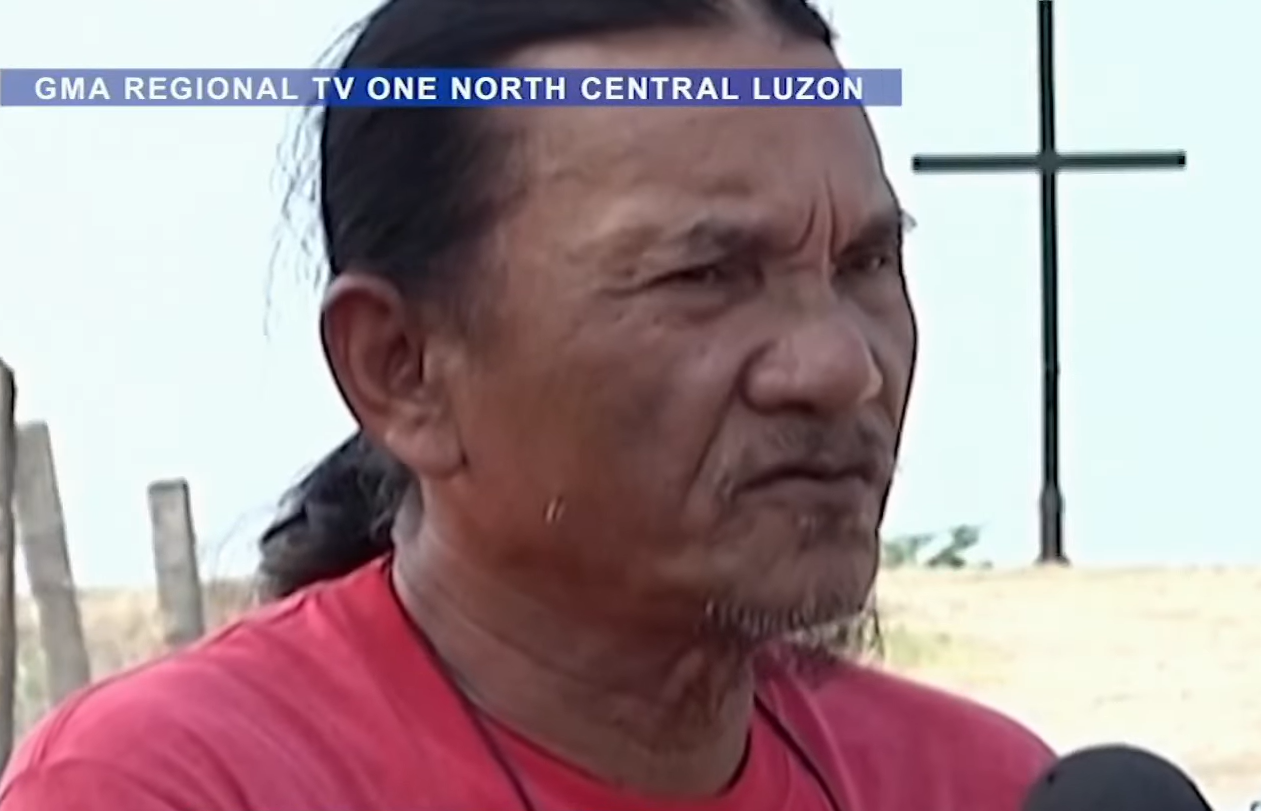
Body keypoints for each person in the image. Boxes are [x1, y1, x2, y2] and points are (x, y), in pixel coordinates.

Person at [0, 0, 1055, 808]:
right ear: (402, 368)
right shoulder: (176, 786)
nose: (839, 366)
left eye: (864, 262)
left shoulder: (981, 789)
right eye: (705, 276)